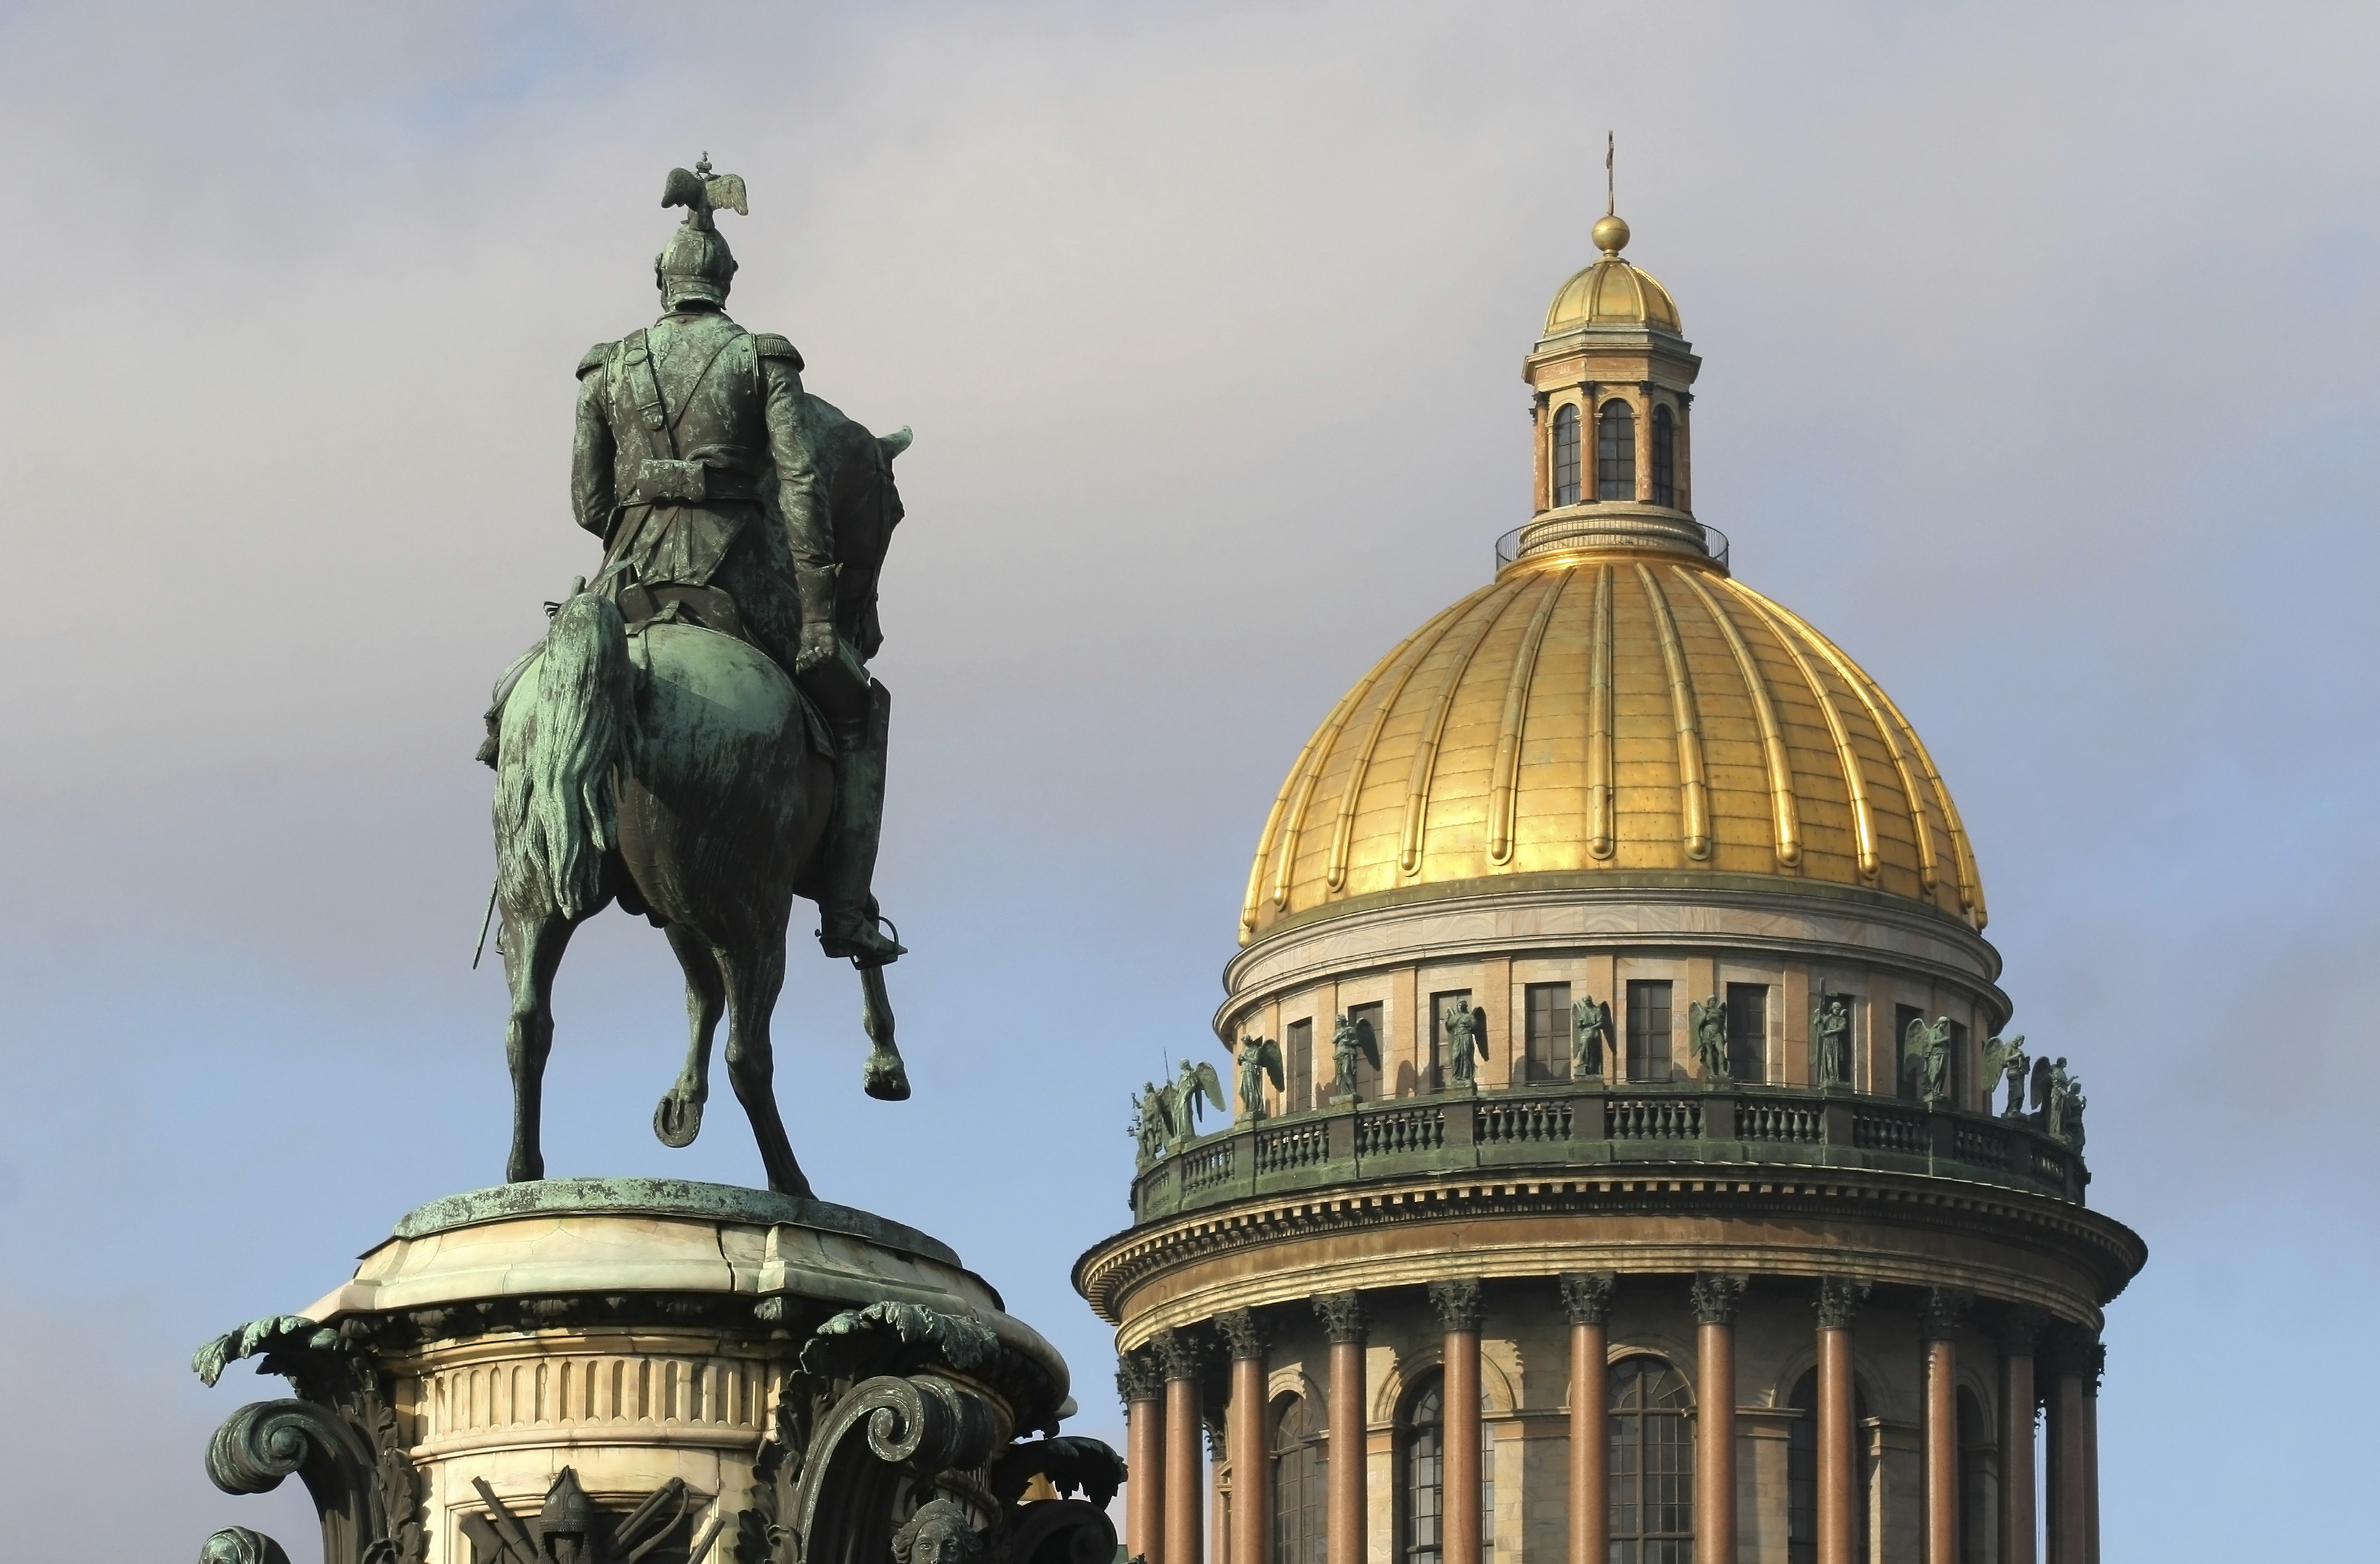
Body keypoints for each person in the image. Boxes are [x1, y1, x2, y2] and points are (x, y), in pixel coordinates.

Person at [567, 158, 903, 963]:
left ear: (660, 278)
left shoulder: (604, 367)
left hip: (628, 585)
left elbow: (586, 505)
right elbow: (801, 486)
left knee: (537, 686)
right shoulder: (764, 361)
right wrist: (820, 616)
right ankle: (849, 914)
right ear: (728, 279)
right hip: (736, 578)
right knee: (860, 713)